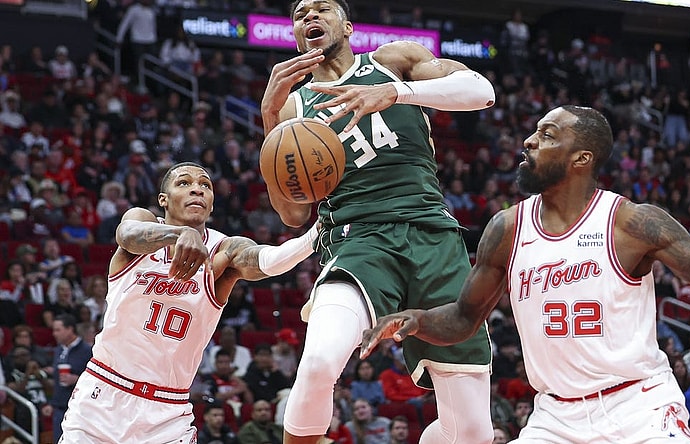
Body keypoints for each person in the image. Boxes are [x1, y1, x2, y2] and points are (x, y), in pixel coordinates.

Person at [361, 105, 690, 442]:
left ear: (582, 157)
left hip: (639, 407)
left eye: (547, 135)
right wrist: (416, 320)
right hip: (555, 417)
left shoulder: (632, 223)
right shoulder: (507, 228)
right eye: (535, 132)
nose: (528, 141)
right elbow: (462, 319)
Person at [259, 1, 495, 443]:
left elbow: (481, 91)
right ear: (294, 34)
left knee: (472, 433)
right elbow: (292, 215)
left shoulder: (393, 62)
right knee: (318, 362)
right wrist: (270, 119)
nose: (310, 16)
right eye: (300, 13)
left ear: (347, 26)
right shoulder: (295, 109)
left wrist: (397, 94)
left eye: (321, 8)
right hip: (356, 240)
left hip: (433, 238)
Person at [58, 162, 319, 443]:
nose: (197, 188)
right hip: (102, 397)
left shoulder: (224, 250)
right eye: (184, 183)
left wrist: (314, 235)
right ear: (163, 200)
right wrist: (181, 234)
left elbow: (268, 261)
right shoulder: (142, 221)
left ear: (211, 204)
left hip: (166, 413)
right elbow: (127, 235)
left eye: (205, 185)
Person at [49, 313, 93, 442]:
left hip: (80, 411)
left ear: (70, 329)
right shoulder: (58, 350)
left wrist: (76, 379)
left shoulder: (87, 351)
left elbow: (95, 380)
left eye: (58, 330)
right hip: (59, 409)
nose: (54, 334)